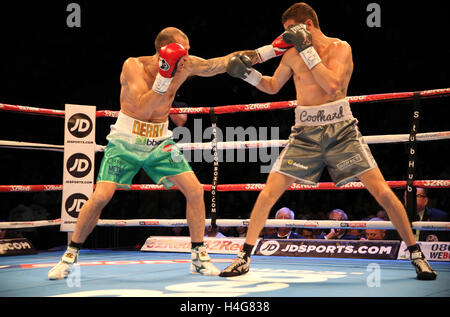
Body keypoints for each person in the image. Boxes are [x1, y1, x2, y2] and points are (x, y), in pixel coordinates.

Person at [220, 3, 437, 280]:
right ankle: (244, 258)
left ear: (307, 26)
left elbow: (333, 86)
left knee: (382, 192)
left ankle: (417, 256)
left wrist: (307, 50)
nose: (286, 38)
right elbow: (272, 86)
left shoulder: (340, 48)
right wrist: (247, 74)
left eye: (290, 31)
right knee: (268, 193)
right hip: (304, 133)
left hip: (341, 130)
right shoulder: (292, 55)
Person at [48, 27, 260, 279]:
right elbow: (142, 107)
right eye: (184, 50)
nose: (189, 55)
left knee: (194, 190)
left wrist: (266, 51)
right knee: (101, 196)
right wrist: (164, 75)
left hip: (160, 140)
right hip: (125, 140)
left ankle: (198, 256)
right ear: (166, 51)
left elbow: (218, 64)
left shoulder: (186, 64)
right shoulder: (133, 66)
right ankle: (70, 256)